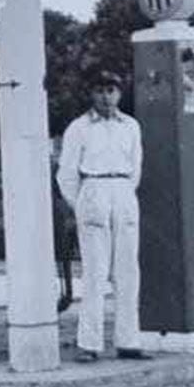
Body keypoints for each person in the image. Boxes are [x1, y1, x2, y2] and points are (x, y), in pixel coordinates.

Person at [55, 79, 148, 362]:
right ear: (90, 92)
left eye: (111, 90)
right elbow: (67, 173)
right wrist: (82, 204)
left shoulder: (131, 126)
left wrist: (122, 193)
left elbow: (136, 167)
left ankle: (128, 341)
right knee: (95, 272)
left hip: (122, 191)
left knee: (128, 272)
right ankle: (89, 343)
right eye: (99, 89)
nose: (106, 97)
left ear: (119, 93)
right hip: (93, 189)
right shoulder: (79, 128)